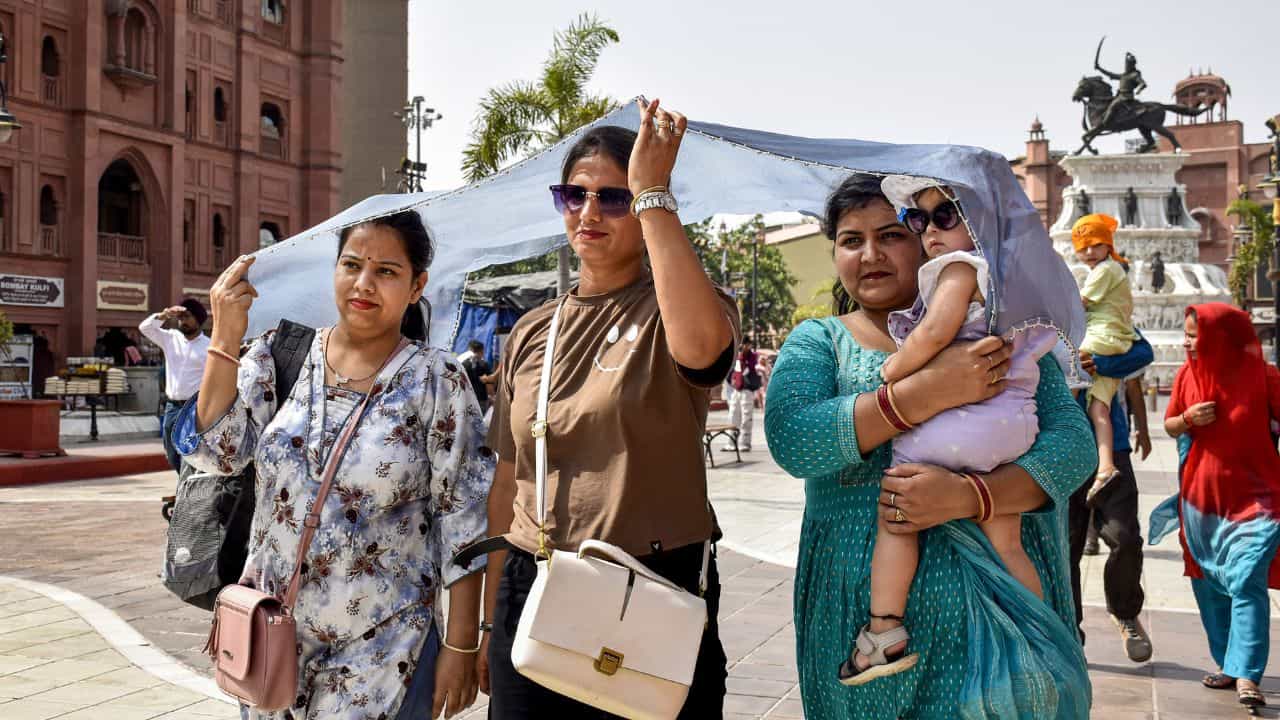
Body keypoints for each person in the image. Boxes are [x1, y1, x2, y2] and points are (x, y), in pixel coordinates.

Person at [765, 174, 1092, 719]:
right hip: (864, 632)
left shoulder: (1002, 328)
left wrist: (973, 497)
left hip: (1000, 621)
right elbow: (795, 438)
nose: (870, 254)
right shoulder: (821, 340)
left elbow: (1072, 445)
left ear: (926, 238)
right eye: (850, 240)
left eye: (891, 234)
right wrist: (918, 396)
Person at [175, 211, 491, 720]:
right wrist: (224, 339)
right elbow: (218, 453)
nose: (363, 284)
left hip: (385, 644)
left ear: (417, 286)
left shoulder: (438, 380)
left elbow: (466, 519)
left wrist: (459, 646)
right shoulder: (280, 356)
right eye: (351, 265)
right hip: (272, 636)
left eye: (386, 271)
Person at [483, 100, 737, 717]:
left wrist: (653, 192)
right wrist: (491, 621)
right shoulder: (532, 330)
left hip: (652, 587)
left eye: (613, 197)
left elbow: (703, 353)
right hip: (535, 583)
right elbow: (507, 482)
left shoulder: (677, 308)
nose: (589, 211)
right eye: (574, 195)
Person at [834, 177, 1060, 686]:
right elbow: (796, 439)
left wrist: (898, 376)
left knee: (899, 518)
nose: (930, 232)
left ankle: (883, 631)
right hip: (1007, 429)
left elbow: (1073, 448)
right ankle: (1035, 637)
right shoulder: (1015, 282)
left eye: (943, 217)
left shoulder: (958, 270)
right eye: (920, 219)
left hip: (955, 435)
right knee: (1008, 543)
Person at [1161, 303, 1280, 711]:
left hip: (1258, 501)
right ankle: (1228, 663)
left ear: (1221, 337)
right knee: (1210, 584)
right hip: (1201, 504)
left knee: (1247, 579)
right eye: (1186, 333)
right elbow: (1170, 424)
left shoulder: (1265, 378)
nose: (1185, 341)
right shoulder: (1186, 377)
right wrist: (1188, 419)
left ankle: (1248, 672)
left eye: (1194, 334)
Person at [1068, 340, 1153, 663]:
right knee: (1066, 547)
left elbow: (1142, 354)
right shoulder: (1048, 314)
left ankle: (1125, 611)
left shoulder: (1109, 319)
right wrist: (1072, 363)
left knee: (1125, 536)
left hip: (1113, 448)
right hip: (1062, 445)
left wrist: (1099, 362)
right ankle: (1070, 631)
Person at [1072, 213, 1137, 505]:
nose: (1088, 253)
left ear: (1108, 244)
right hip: (1114, 341)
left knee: (1069, 367)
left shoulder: (1106, 270)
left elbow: (1079, 304)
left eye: (1094, 245)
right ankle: (1106, 466)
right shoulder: (1111, 269)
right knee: (1100, 409)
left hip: (1103, 336)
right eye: (1082, 247)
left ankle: (1063, 426)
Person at [139, 299, 210, 473]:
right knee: (171, 451)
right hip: (172, 407)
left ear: (199, 320)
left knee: (192, 451)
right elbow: (145, 328)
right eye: (180, 317)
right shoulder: (171, 338)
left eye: (187, 317)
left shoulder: (209, 346)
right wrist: (164, 315)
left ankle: (189, 490)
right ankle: (183, 483)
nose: (182, 321)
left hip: (195, 408)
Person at [726, 336, 761, 451]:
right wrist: (732, 380)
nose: (745, 347)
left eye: (747, 345)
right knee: (733, 416)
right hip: (737, 390)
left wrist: (743, 358)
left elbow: (752, 369)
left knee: (746, 418)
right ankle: (731, 443)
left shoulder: (753, 357)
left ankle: (745, 443)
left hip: (747, 390)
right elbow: (736, 371)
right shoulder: (738, 357)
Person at [458, 339, 491, 412]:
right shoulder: (483, 364)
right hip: (480, 398)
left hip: (466, 398)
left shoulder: (461, 362)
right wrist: (491, 396)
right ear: (481, 351)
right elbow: (489, 382)